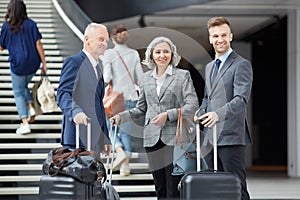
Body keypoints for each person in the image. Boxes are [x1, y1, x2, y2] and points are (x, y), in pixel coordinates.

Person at [111, 36, 198, 199]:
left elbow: (192, 105)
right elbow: (141, 108)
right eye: (158, 52)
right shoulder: (145, 78)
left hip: (175, 139)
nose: (162, 55)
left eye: (166, 51)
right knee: (159, 188)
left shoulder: (182, 76)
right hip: (152, 139)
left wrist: (167, 115)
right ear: (151, 55)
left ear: (172, 54)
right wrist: (120, 117)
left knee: (174, 188)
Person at [195, 16, 253, 200]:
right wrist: (201, 112)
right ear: (210, 39)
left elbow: (241, 100)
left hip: (231, 137)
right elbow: (207, 97)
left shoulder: (241, 64)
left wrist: (217, 115)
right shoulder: (210, 66)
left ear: (231, 36)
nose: (220, 39)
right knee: (216, 189)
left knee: (236, 187)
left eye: (223, 35)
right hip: (210, 138)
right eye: (215, 36)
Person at [56, 23, 112, 156]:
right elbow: (63, 93)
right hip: (77, 139)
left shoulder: (98, 68)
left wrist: (105, 137)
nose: (105, 43)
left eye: (106, 41)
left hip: (94, 141)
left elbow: (98, 104)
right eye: (101, 39)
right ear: (87, 39)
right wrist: (75, 112)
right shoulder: (74, 62)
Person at [101, 24, 143, 176]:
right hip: (132, 96)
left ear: (113, 39)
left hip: (116, 98)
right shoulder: (134, 54)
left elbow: (107, 78)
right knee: (126, 131)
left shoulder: (109, 54)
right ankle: (126, 165)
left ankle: (119, 151)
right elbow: (140, 78)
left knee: (109, 127)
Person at [0, 0, 47, 135]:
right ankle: (30, 106)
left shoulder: (7, 27)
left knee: (18, 91)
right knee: (23, 86)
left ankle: (25, 122)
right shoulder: (31, 24)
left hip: (18, 65)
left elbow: (1, 46)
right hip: (33, 64)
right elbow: (38, 44)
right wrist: (44, 63)